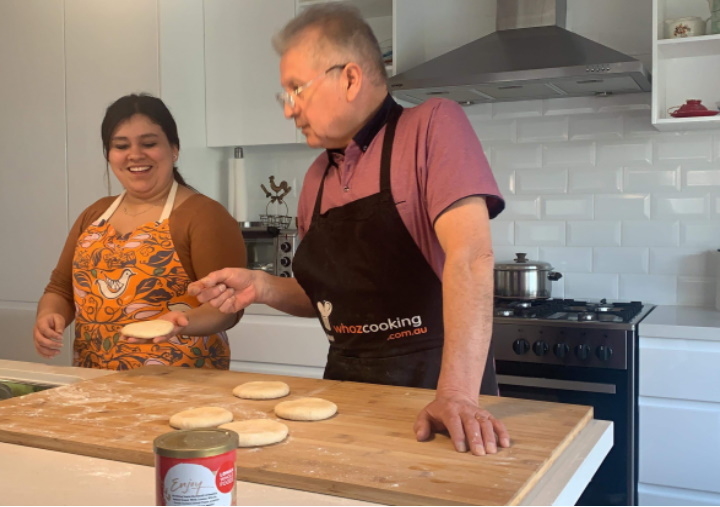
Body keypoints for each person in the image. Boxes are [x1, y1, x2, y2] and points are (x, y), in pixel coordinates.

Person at [190, 3, 511, 455]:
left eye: (296, 89)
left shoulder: (432, 126)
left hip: (436, 394)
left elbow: (472, 257)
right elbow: (329, 298)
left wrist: (457, 395)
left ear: (350, 78)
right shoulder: (316, 179)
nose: (289, 110)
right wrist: (262, 287)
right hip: (347, 391)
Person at [33, 93, 246, 370]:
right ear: (109, 155)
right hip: (94, 383)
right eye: (121, 145)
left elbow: (228, 307)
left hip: (181, 384)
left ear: (174, 149)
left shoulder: (204, 216)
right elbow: (60, 289)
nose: (135, 155)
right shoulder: (94, 215)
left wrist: (181, 324)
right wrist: (49, 316)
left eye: (149, 143)